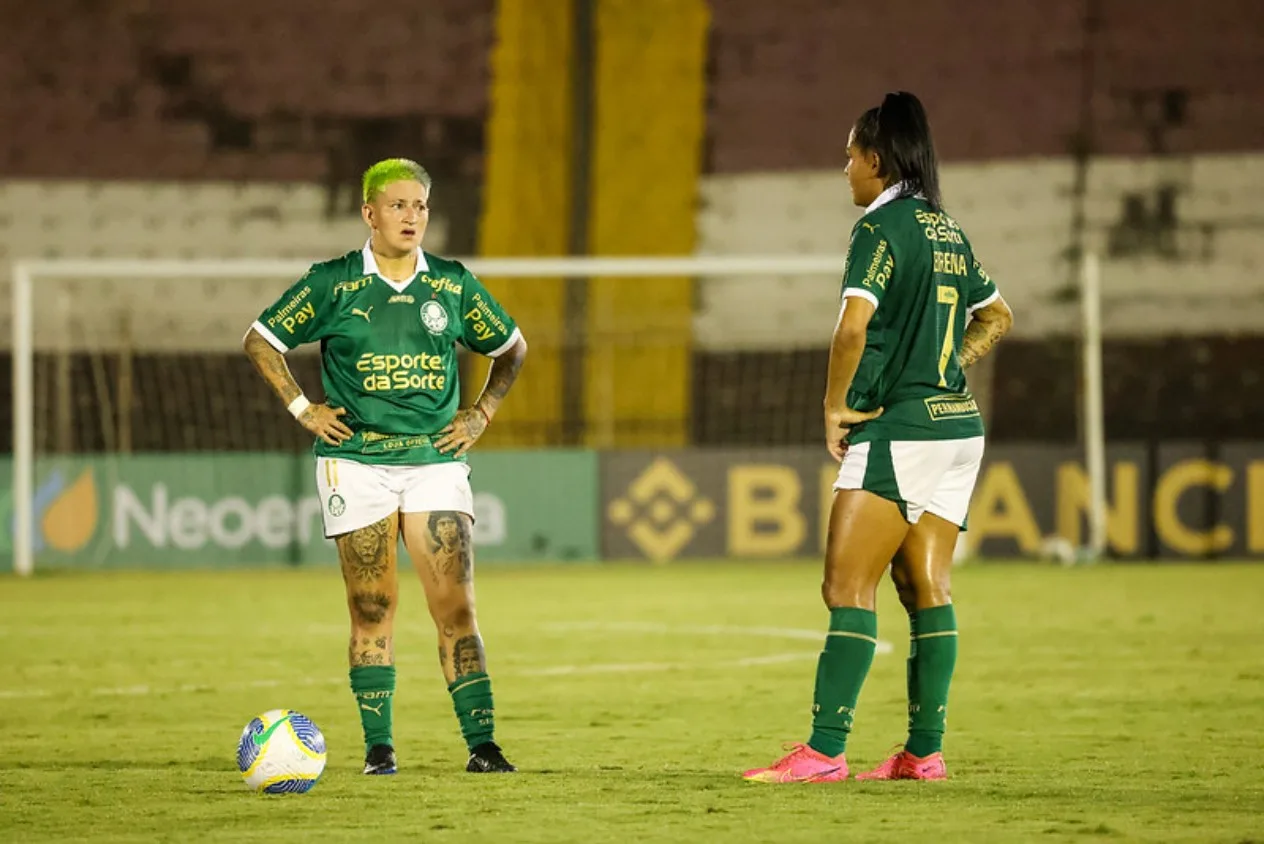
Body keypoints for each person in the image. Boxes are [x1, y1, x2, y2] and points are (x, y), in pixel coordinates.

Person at [742, 92, 1014, 783]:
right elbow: (999, 316)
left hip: (902, 430)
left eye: (849, 156)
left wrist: (835, 407)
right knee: (926, 585)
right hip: (959, 429)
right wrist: (955, 365)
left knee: (846, 585)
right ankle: (923, 754)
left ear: (876, 158)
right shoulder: (946, 230)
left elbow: (851, 328)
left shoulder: (880, 228)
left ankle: (824, 751)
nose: (844, 171)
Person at [243, 158, 528, 775]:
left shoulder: (451, 285)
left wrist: (481, 414)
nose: (411, 217)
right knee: (372, 607)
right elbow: (261, 338)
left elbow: (510, 348)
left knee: (455, 605)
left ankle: (483, 747)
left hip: (434, 460)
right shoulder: (334, 283)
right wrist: (302, 408)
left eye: (420, 206)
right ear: (369, 213)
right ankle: (380, 749)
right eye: (398, 206)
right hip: (355, 461)